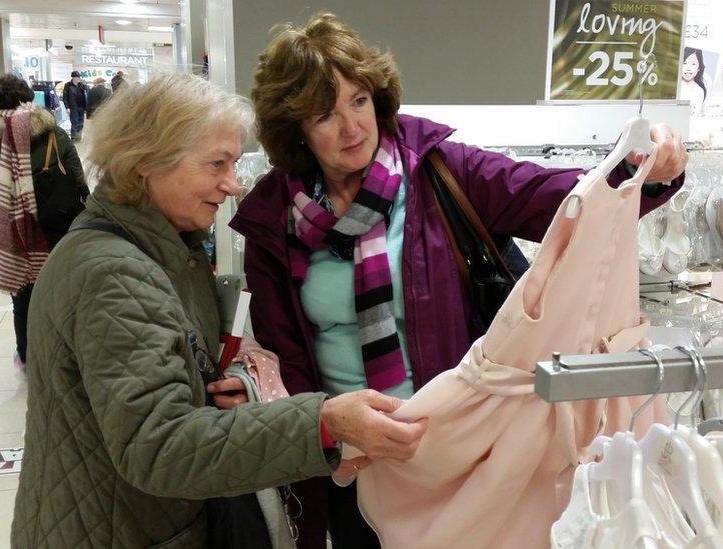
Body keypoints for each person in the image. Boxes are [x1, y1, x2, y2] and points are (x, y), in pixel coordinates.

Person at [229, 12, 689, 549]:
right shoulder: (274, 221)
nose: (352, 126)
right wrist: (285, 408)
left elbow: (560, 198)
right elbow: (283, 354)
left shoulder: (440, 171)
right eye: (324, 115)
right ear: (297, 130)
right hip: (350, 456)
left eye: (358, 101)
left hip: (453, 449)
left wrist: (641, 170)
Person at [10, 72, 427, 549]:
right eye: (216, 164)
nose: (231, 185)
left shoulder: (163, 250)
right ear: (146, 161)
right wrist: (323, 424)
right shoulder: (114, 274)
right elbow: (161, 446)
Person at [0, 73, 88, 372]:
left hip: (15, 234)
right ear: (28, 97)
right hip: (59, 225)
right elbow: (77, 177)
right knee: (65, 293)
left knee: (22, 297)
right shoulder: (51, 131)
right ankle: (69, 356)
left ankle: (28, 358)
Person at [679, 47, 707, 115]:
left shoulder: (699, 91)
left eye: (693, 64)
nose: (688, 68)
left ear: (699, 68)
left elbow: (695, 116)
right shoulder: (673, 86)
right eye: (684, 63)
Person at [62, 70, 88, 141]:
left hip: (81, 106)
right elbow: (65, 97)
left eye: (79, 77)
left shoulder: (82, 85)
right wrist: (67, 107)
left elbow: (87, 92)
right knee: (74, 122)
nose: (78, 79)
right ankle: (73, 138)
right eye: (76, 77)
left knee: (81, 122)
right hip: (73, 107)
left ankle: (78, 137)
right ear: (73, 77)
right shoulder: (68, 85)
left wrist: (85, 84)